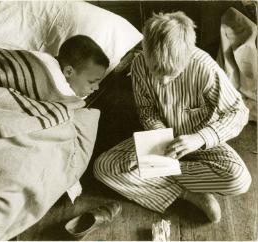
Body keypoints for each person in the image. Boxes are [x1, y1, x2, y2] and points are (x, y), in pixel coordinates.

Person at [93, 11, 252, 223]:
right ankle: (190, 195)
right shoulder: (140, 64)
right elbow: (146, 109)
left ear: (187, 57)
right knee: (103, 168)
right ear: (146, 53)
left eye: (172, 74)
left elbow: (238, 112)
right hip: (161, 143)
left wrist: (200, 139)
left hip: (201, 143)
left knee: (239, 180)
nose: (164, 82)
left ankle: (158, 180)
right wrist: (157, 131)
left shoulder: (204, 68)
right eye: (157, 73)